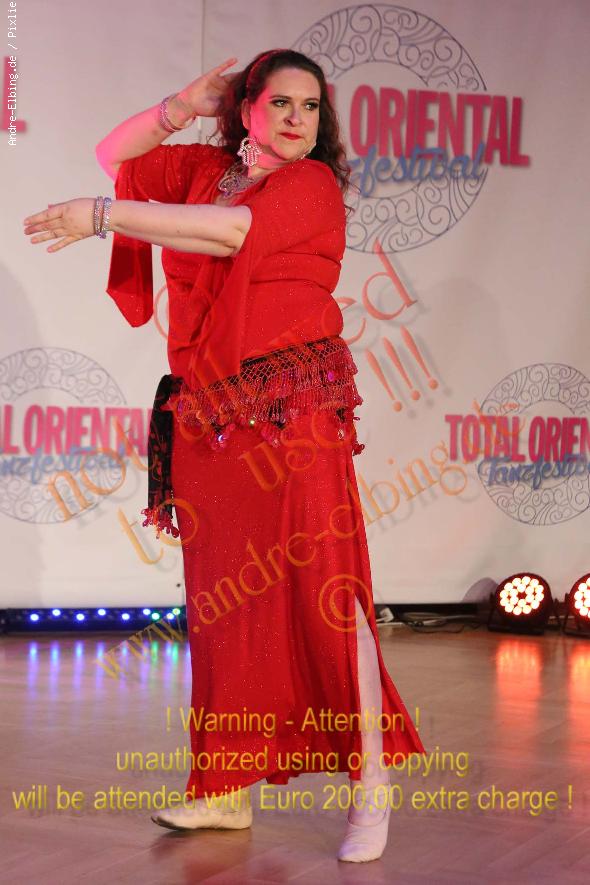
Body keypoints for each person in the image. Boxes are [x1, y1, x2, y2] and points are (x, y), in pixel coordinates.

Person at [22, 48, 427, 864]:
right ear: (246, 109)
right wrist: (181, 103)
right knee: (223, 611)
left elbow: (229, 234)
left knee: (329, 597)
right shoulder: (205, 172)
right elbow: (115, 153)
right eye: (279, 102)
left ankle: (372, 782)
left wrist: (104, 216)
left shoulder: (310, 185)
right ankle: (225, 788)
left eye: (310, 106)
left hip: (293, 414)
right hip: (210, 418)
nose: (296, 118)